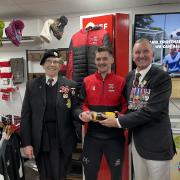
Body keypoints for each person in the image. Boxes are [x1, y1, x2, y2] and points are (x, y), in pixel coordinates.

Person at [99, 38, 176, 180]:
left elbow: (151, 111)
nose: (141, 55)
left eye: (145, 51)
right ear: (133, 56)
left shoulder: (162, 77)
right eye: (137, 52)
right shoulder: (130, 76)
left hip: (156, 145)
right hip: (136, 143)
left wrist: (118, 122)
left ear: (153, 54)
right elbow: (131, 106)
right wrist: (120, 114)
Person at [20, 49, 81, 180]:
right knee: (44, 175)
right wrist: (26, 143)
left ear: (60, 65)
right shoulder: (32, 85)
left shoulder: (70, 85)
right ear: (42, 64)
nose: (52, 64)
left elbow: (75, 108)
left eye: (56, 61)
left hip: (63, 139)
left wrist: (81, 115)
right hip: (41, 139)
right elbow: (26, 116)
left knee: (61, 175)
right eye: (48, 61)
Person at [78, 46, 127, 180]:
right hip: (92, 137)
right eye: (98, 59)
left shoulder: (121, 81)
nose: (101, 62)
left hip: (115, 138)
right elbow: (81, 104)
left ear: (112, 59)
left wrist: (118, 117)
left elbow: (126, 106)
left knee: (116, 176)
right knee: (90, 175)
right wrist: (85, 113)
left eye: (105, 58)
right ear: (95, 61)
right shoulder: (87, 81)